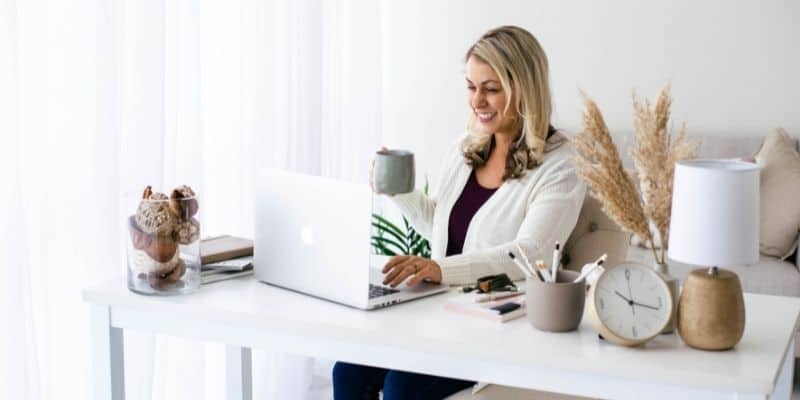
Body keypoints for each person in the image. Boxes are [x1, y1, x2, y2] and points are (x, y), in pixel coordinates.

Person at [333, 25, 586, 399]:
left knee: (403, 387)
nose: (477, 101)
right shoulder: (466, 148)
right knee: (348, 370)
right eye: (471, 86)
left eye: (491, 88)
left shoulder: (561, 166)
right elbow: (441, 226)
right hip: (437, 314)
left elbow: (530, 255)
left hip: (497, 328)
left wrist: (439, 270)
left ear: (524, 89)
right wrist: (399, 192)